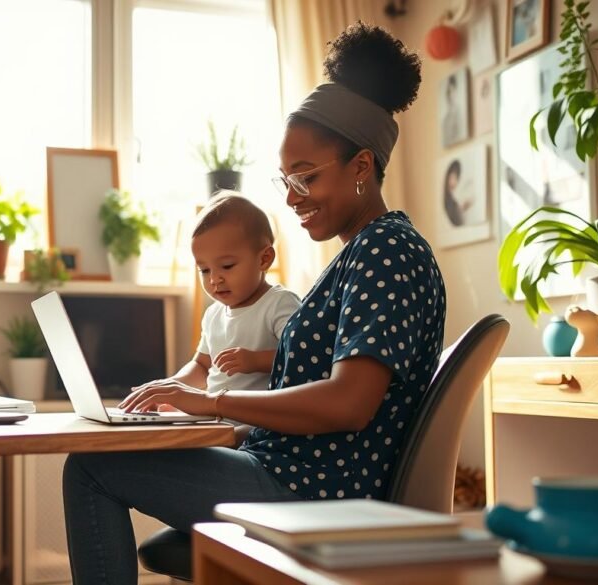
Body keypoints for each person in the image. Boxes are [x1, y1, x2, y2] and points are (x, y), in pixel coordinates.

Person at [61, 22, 446, 585]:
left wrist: (212, 406)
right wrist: (189, 410)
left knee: (91, 468)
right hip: (291, 471)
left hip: (315, 492)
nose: (291, 198)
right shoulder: (358, 254)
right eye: (286, 179)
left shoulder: (386, 250)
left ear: (361, 167)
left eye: (306, 178)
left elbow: (349, 404)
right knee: (111, 469)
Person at [133, 193, 300, 400]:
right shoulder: (213, 314)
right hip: (216, 414)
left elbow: (302, 356)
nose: (214, 279)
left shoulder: (279, 303)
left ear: (264, 259)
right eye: (204, 270)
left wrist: (256, 361)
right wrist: (170, 385)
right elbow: (202, 366)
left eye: (227, 266)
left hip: (258, 420)